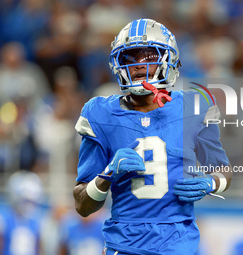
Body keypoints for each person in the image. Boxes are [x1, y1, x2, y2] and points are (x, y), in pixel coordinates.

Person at [73, 18, 232, 255]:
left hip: (178, 243)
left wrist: (213, 183)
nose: (138, 64)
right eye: (130, 57)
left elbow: (223, 169)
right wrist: (105, 176)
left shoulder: (194, 106)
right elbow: (82, 205)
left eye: (148, 56)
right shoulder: (100, 114)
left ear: (168, 60)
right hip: (124, 244)